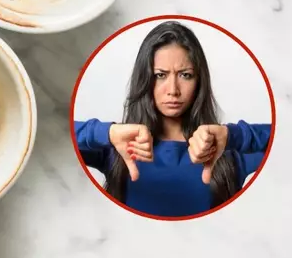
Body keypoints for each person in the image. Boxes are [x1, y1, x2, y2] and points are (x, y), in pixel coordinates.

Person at [75, 21, 271, 218]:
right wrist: (106, 132)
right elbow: (54, 133)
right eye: (160, 75)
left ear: (199, 81)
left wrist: (233, 136)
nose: (173, 90)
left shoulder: (229, 153)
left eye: (185, 75)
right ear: (144, 79)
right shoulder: (117, 149)